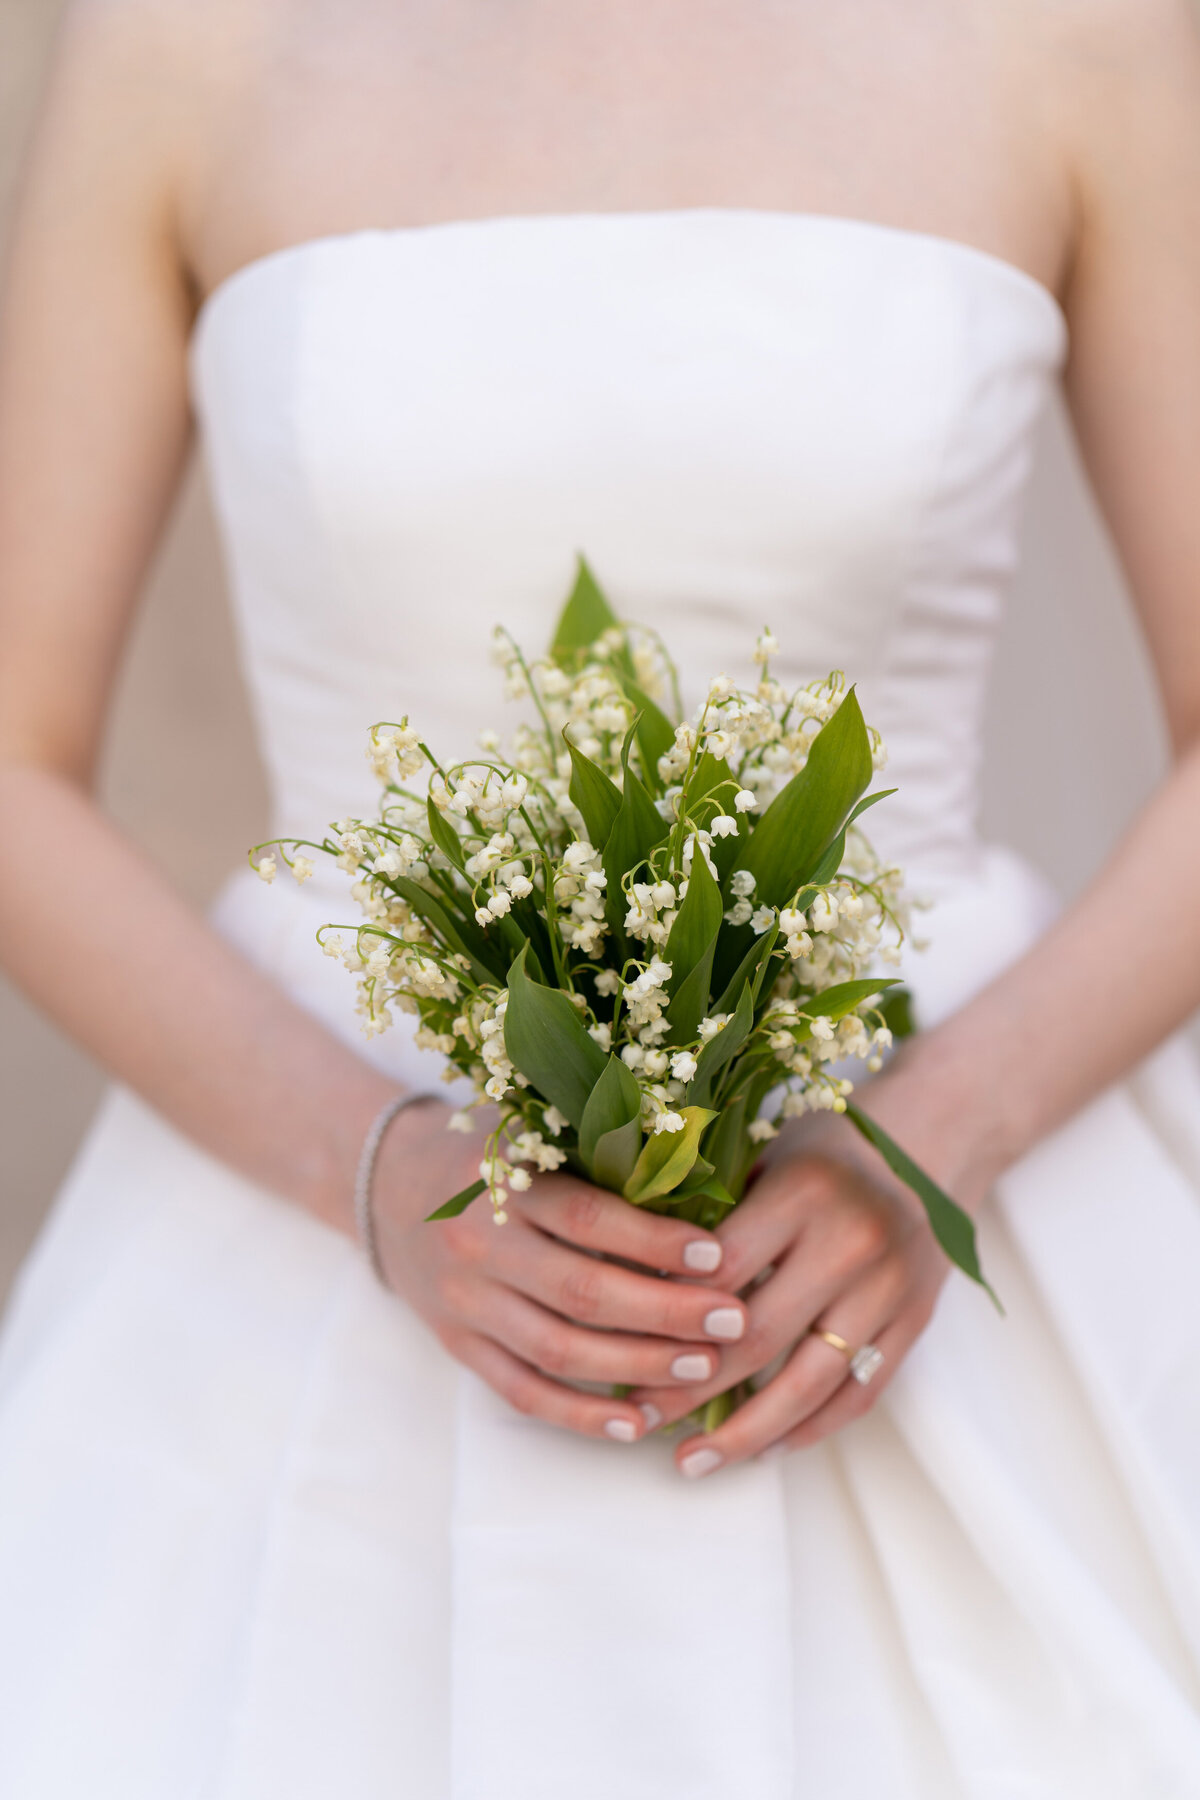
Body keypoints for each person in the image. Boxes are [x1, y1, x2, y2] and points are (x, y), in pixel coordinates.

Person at [1, 1, 1199, 1793]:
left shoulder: (1080, 39)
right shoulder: (182, 42)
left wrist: (930, 1137)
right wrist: (379, 1164)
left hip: (941, 1174)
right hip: (306, 1195)